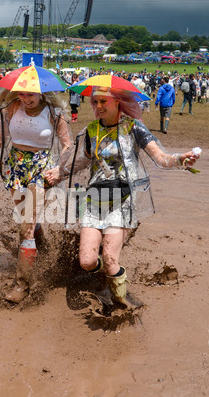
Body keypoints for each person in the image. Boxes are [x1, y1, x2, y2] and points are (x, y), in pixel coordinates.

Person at [45, 86, 200, 316]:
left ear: (119, 102)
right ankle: (104, 277)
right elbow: (83, 162)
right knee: (87, 261)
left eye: (103, 101)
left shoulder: (133, 127)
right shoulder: (92, 130)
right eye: (95, 102)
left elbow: (160, 158)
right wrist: (59, 173)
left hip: (122, 200)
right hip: (94, 199)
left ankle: (120, 303)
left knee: (109, 258)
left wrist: (180, 160)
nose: (98, 107)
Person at [0, 87, 72, 303]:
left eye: (30, 94)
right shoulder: (11, 107)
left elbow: (67, 145)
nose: (25, 98)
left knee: (25, 227)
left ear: (42, 93)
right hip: (16, 168)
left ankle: (22, 285)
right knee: (26, 219)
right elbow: (0, 139)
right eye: (21, 94)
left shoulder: (54, 113)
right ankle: (43, 249)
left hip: (42, 168)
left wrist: (60, 169)